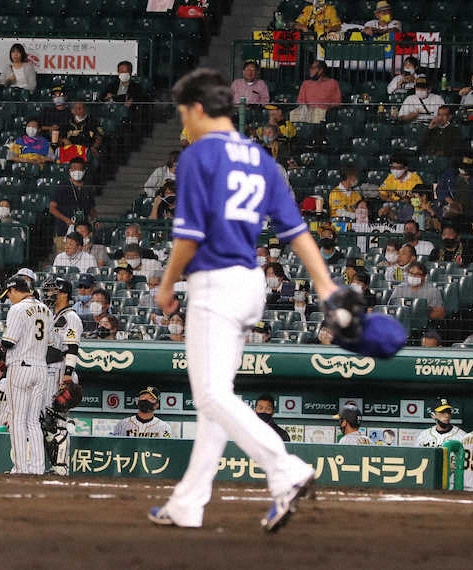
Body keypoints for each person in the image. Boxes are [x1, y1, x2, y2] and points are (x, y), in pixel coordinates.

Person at [149, 68, 336, 533]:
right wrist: (326, 285)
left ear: (196, 109)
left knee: (211, 395)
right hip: (251, 283)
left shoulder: (198, 156)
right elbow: (296, 233)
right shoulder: (261, 158)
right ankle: (188, 503)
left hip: (215, 283)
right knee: (216, 399)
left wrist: (166, 284)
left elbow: (188, 236)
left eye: (182, 113)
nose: (182, 124)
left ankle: (285, 470)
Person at [0, 276, 53, 474]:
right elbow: (53, 347)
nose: (8, 299)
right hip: (40, 367)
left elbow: (9, 341)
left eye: (8, 294)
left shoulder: (17, 309)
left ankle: (20, 468)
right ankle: (38, 468)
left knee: (18, 420)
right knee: (33, 421)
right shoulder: (46, 309)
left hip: (20, 367)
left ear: (13, 290)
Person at [39, 277, 83, 475]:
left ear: (63, 293)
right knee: (46, 422)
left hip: (61, 371)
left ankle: (61, 468)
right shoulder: (52, 316)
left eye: (52, 291)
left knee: (58, 422)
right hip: (48, 370)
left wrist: (67, 375)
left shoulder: (71, 317)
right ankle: (55, 465)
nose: (49, 294)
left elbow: (72, 348)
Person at [49, 158, 97, 238]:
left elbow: (91, 208)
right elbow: (52, 208)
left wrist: (95, 219)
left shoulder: (87, 187)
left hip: (83, 230)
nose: (77, 172)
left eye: (80, 169)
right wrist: (66, 220)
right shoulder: (62, 186)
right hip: (64, 228)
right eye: (74, 169)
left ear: (84, 171)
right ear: (70, 170)